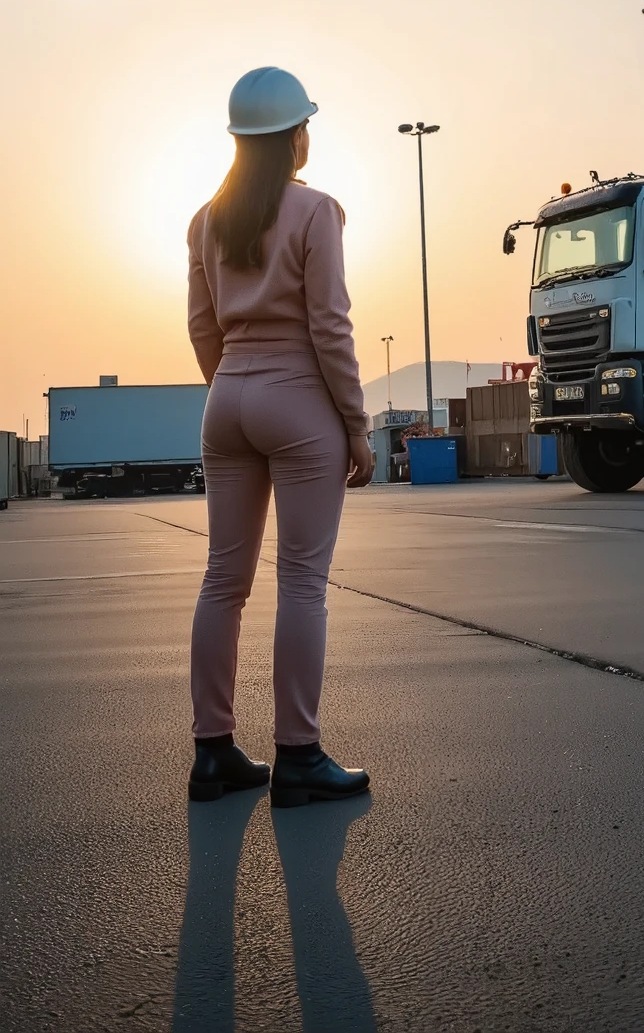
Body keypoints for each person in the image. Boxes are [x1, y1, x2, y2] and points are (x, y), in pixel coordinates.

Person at [186, 66, 374, 807]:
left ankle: (213, 754)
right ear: (294, 136)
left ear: (240, 141)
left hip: (226, 397)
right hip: (298, 404)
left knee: (222, 581)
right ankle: (297, 756)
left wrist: (232, 385)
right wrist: (355, 425)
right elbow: (331, 327)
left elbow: (202, 326)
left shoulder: (206, 219)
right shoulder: (315, 211)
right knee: (301, 582)